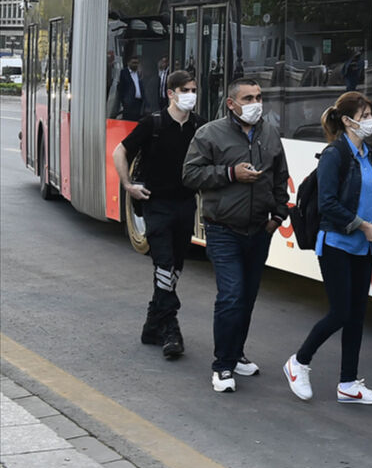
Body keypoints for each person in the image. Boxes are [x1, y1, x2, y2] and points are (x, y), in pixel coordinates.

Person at [284, 92, 372, 405]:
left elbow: (369, 196)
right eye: (363, 117)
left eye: (370, 115)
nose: (370, 122)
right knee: (340, 312)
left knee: (358, 314)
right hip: (336, 242)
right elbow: (328, 204)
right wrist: (364, 226)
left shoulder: (369, 152)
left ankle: (349, 383)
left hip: (363, 246)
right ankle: (298, 362)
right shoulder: (335, 154)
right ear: (347, 121)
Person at [182, 78, 290, 394]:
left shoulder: (269, 133)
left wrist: (279, 216)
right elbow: (189, 175)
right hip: (223, 229)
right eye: (248, 98)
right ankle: (222, 366)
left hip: (259, 230)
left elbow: (280, 176)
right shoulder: (209, 134)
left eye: (258, 96)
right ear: (232, 103)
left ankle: (237, 353)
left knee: (247, 297)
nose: (256, 103)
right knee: (231, 295)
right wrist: (231, 173)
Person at [110, 70, 203, 360]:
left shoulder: (199, 126)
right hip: (157, 205)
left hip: (186, 205)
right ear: (171, 93)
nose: (191, 95)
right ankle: (170, 328)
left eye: (193, 89)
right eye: (185, 90)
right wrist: (128, 186)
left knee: (175, 266)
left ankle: (153, 324)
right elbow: (119, 152)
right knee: (163, 264)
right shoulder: (153, 123)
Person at [117, 56, 145, 120]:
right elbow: (120, 88)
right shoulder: (124, 73)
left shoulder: (139, 72)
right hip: (129, 103)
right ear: (128, 63)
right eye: (133, 63)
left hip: (139, 103)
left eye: (137, 63)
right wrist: (124, 101)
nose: (135, 64)